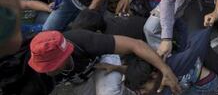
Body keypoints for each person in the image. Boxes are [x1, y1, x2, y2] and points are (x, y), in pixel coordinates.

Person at [28, 30, 181, 95]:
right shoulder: (39, 74)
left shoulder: (83, 41)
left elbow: (136, 44)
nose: (46, 71)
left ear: (65, 56)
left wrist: (165, 70)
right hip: (79, 80)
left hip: (101, 64)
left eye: (50, 66)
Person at [95, 29, 218, 95]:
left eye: (142, 89)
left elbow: (198, 42)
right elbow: (136, 72)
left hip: (207, 86)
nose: (141, 93)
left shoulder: (171, 68)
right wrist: (116, 68)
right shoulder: (153, 69)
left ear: (154, 76)